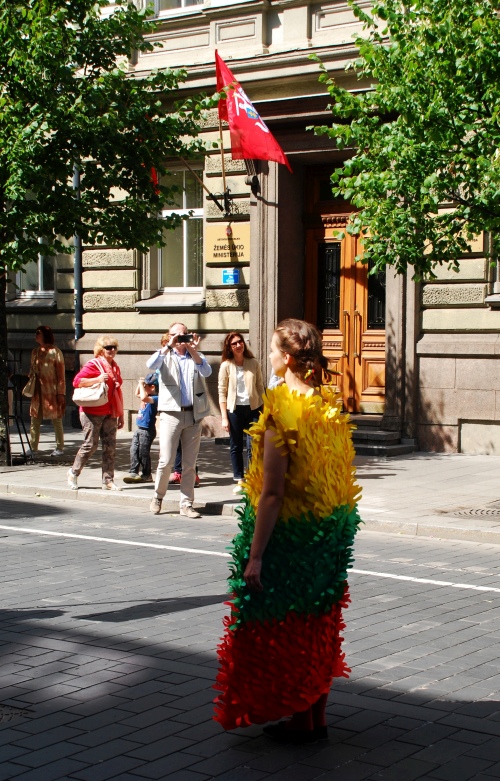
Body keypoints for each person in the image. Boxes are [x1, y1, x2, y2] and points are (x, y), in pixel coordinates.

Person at [214, 319, 361, 743]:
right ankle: (314, 718)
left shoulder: (281, 411)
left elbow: (273, 493)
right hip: (328, 536)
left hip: (290, 536)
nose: (268, 355)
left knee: (285, 625)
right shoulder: (328, 405)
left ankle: (299, 720)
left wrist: (256, 555)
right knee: (317, 623)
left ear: (288, 358)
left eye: (273, 349)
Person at [146, 323, 212, 518]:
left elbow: (207, 372)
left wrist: (194, 350)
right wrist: (169, 346)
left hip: (193, 414)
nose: (179, 338)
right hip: (170, 414)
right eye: (175, 335)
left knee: (189, 464)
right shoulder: (165, 355)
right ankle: (158, 497)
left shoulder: (195, 356)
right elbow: (151, 365)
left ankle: (186, 504)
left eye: (183, 335)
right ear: (169, 336)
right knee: (166, 460)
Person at [67, 335, 124, 491]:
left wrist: (121, 414)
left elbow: (117, 392)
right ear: (101, 349)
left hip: (110, 411)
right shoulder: (94, 364)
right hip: (91, 412)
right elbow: (77, 382)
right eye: (108, 347)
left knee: (110, 447)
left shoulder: (115, 367)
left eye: (114, 347)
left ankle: (108, 480)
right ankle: (73, 472)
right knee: (90, 445)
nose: (112, 350)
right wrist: (97, 379)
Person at [218, 332, 265, 490]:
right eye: (234, 344)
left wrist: (264, 408)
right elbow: (222, 392)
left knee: (254, 444)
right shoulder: (226, 365)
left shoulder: (253, 363)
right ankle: (239, 478)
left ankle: (252, 476)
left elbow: (260, 386)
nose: (238, 345)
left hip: (253, 408)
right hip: (235, 410)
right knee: (236, 445)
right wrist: (224, 417)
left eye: (240, 342)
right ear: (229, 348)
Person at [27, 326, 66, 457]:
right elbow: (31, 371)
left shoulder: (56, 352)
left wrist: (61, 392)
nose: (36, 336)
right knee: (34, 420)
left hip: (51, 391)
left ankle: (59, 447)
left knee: (56, 420)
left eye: (38, 333)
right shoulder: (35, 352)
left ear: (45, 335)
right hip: (37, 392)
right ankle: (33, 447)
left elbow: (61, 374)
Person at [123, 372, 159, 484]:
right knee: (134, 450)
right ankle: (133, 472)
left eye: (145, 386)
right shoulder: (147, 396)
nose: (143, 388)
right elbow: (137, 393)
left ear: (152, 387)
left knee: (143, 452)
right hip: (139, 428)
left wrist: (141, 383)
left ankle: (147, 474)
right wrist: (140, 384)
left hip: (147, 430)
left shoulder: (155, 398)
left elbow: (143, 397)